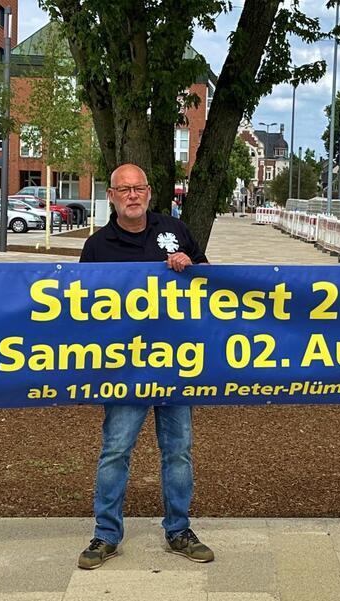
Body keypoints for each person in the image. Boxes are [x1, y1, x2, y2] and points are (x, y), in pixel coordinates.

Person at [76, 163, 214, 570]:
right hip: (124, 368)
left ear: (150, 193)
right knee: (116, 450)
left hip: (175, 363)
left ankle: (179, 529)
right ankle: (105, 535)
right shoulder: (98, 246)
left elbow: (212, 283)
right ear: (111, 196)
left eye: (138, 188)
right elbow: (79, 308)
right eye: (124, 189)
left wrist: (191, 265)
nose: (132, 195)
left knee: (179, 451)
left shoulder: (176, 231)